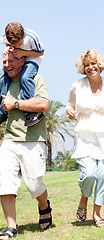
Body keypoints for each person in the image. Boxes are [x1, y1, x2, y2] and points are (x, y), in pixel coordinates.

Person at [0, 47, 51, 239]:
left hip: (33, 139)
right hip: (10, 139)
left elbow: (43, 105)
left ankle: (44, 206)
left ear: (22, 60)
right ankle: (11, 227)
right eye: (4, 62)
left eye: (10, 61)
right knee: (6, 184)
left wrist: (16, 104)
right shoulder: (4, 83)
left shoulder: (37, 79)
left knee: (34, 185)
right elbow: (1, 105)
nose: (6, 65)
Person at [66, 49, 104, 227]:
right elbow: (69, 105)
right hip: (84, 138)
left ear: (99, 65)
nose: (91, 67)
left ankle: (97, 214)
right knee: (89, 174)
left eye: (93, 63)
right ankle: (84, 198)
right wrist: (70, 112)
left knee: (103, 177)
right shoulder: (77, 86)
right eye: (87, 65)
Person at [0, 22, 45, 128]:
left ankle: (32, 113)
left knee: (25, 77)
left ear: (23, 34)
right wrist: (8, 47)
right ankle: (2, 112)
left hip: (32, 58)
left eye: (19, 43)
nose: (16, 46)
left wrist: (23, 52)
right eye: (14, 44)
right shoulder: (6, 37)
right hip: (17, 57)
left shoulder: (32, 37)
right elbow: (7, 44)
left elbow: (41, 53)